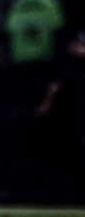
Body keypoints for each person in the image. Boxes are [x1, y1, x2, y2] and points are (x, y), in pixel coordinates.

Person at [33, 29, 85, 202]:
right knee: (67, 152)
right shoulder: (69, 63)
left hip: (75, 114)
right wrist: (46, 105)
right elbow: (56, 86)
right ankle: (65, 192)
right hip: (69, 115)